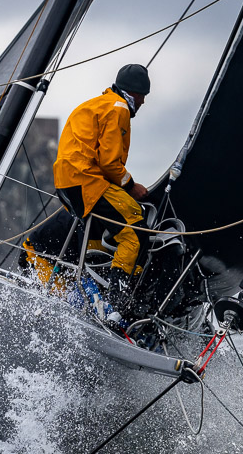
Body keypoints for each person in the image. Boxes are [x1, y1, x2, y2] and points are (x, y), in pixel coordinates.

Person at [23, 64, 152, 301]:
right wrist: (131, 186)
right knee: (135, 229)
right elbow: (110, 162)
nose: (143, 103)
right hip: (87, 180)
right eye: (143, 96)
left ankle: (91, 295)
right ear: (135, 93)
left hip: (67, 181)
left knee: (97, 233)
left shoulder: (97, 103)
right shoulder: (119, 108)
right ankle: (117, 300)